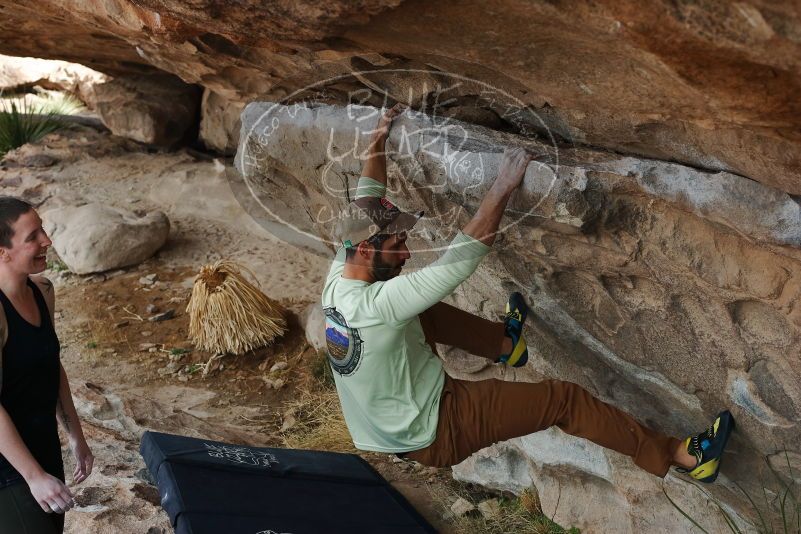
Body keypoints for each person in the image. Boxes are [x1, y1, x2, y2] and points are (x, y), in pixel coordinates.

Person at [321, 104, 734, 486]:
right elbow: (459, 261)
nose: (406, 250)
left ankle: (505, 343)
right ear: (365, 249)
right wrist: (502, 186)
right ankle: (681, 457)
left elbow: (367, 198)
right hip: (438, 428)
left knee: (417, 311)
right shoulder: (379, 304)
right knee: (564, 400)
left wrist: (377, 139)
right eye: (396, 248)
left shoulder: (341, 271)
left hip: (386, 426)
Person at [0, 197, 94, 533]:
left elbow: (49, 365)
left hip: (44, 448)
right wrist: (34, 476)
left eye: (43, 229)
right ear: (2, 252)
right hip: (8, 468)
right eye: (32, 236)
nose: (47, 241)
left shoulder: (43, 289)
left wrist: (75, 436)